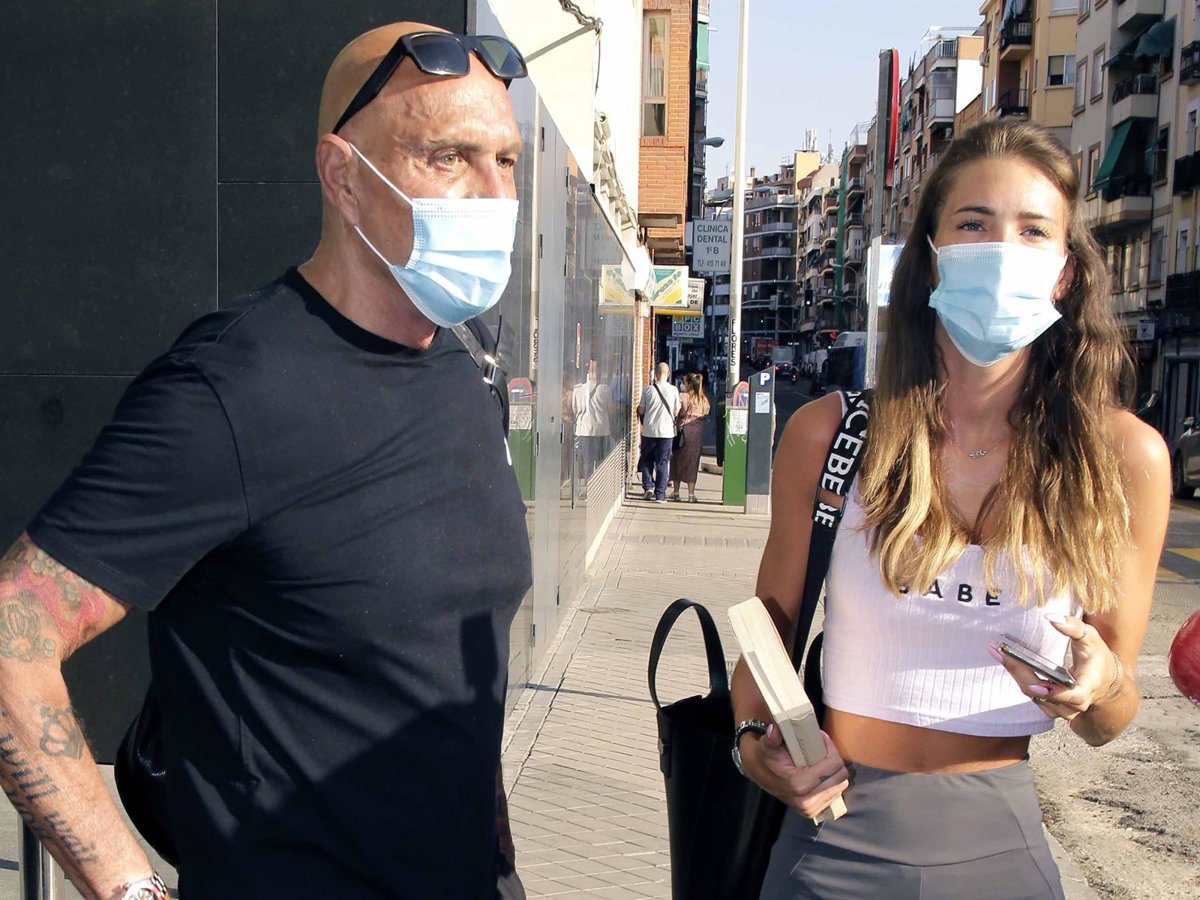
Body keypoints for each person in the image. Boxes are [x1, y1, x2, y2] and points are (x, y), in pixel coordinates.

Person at [0, 22, 533, 899]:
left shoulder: (465, 369)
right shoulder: (233, 388)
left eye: (506, 160)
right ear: (342, 177)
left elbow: (443, 665)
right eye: (448, 157)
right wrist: (129, 888)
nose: (493, 195)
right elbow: (13, 633)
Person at [732, 119, 1170, 899]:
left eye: (1033, 230)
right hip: (829, 845)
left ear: (1066, 272)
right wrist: (750, 745)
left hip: (1003, 855)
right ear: (931, 254)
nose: (1002, 249)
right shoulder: (831, 435)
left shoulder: (1123, 459)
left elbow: (1109, 718)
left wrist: (1099, 686)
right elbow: (767, 630)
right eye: (974, 224)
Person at [637, 362, 681, 503]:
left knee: (646, 460)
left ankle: (648, 487)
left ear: (655, 375)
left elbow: (641, 409)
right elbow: (676, 411)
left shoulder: (648, 390)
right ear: (668, 374)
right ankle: (660, 494)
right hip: (666, 433)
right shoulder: (674, 390)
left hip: (649, 431)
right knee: (662, 462)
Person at [668, 372, 711, 502]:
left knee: (677, 460)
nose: (682, 384)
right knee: (693, 462)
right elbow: (706, 411)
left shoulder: (683, 397)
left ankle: (676, 492)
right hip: (697, 433)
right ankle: (691, 495)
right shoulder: (703, 399)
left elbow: (677, 411)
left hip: (683, 431)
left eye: (684, 382)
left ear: (689, 384)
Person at [572, 359, 613, 480]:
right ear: (599, 373)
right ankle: (598, 484)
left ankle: (588, 483)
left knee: (587, 461)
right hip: (601, 430)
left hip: (584, 430)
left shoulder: (578, 389)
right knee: (600, 460)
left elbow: (574, 409)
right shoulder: (605, 389)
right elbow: (611, 410)